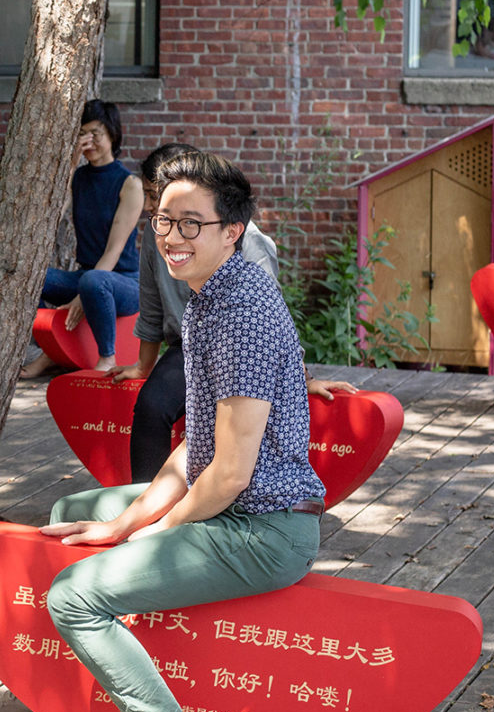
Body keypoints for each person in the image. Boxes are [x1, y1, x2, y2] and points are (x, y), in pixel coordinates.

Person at [0, 153, 326, 712]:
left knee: (75, 596)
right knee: (76, 510)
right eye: (165, 221)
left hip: (262, 528)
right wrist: (125, 522)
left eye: (192, 224)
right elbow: (195, 452)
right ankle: (63, 695)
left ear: (232, 231)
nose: (172, 236)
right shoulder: (209, 299)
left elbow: (231, 473)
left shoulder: (240, 311)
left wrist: (155, 531)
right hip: (233, 507)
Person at [112, 141, 354, 481]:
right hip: (187, 345)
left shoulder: (246, 249)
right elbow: (151, 308)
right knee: (154, 407)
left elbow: (270, 318)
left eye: (157, 196)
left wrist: (303, 377)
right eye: (156, 204)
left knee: (228, 430)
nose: (151, 208)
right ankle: (143, 496)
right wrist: (143, 366)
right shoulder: (159, 234)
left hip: (239, 343)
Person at [20, 100, 145, 378]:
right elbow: (54, 213)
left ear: (112, 134)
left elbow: (114, 251)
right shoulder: (78, 177)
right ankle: (52, 352)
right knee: (31, 277)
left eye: (95, 133)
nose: (89, 141)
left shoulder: (130, 184)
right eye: (83, 134)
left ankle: (107, 357)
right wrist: (72, 160)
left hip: (123, 282)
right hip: (86, 276)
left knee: (92, 281)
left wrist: (82, 296)